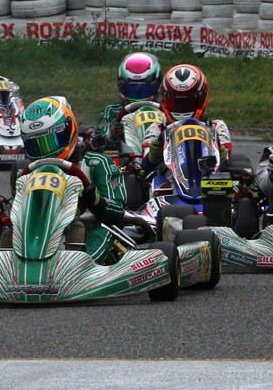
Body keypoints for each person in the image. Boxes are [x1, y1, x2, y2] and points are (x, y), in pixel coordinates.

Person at [17, 95, 131, 262]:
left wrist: (96, 202)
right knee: (3, 231)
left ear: (68, 129)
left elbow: (119, 214)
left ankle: (80, 270)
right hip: (38, 235)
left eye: (50, 141)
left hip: (85, 232)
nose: (45, 152)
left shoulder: (95, 163)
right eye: (36, 145)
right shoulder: (28, 173)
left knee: (103, 233)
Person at [144, 64, 234, 171]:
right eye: (176, 101)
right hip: (169, 181)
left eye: (189, 100)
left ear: (202, 97)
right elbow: (145, 166)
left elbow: (226, 164)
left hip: (208, 180)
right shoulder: (157, 129)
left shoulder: (217, 127)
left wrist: (219, 150)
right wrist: (156, 152)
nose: (182, 106)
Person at [94, 51, 162, 150]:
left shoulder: (165, 112)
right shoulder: (112, 112)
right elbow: (100, 140)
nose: (138, 94)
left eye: (143, 89)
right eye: (132, 89)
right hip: (124, 162)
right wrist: (113, 135)